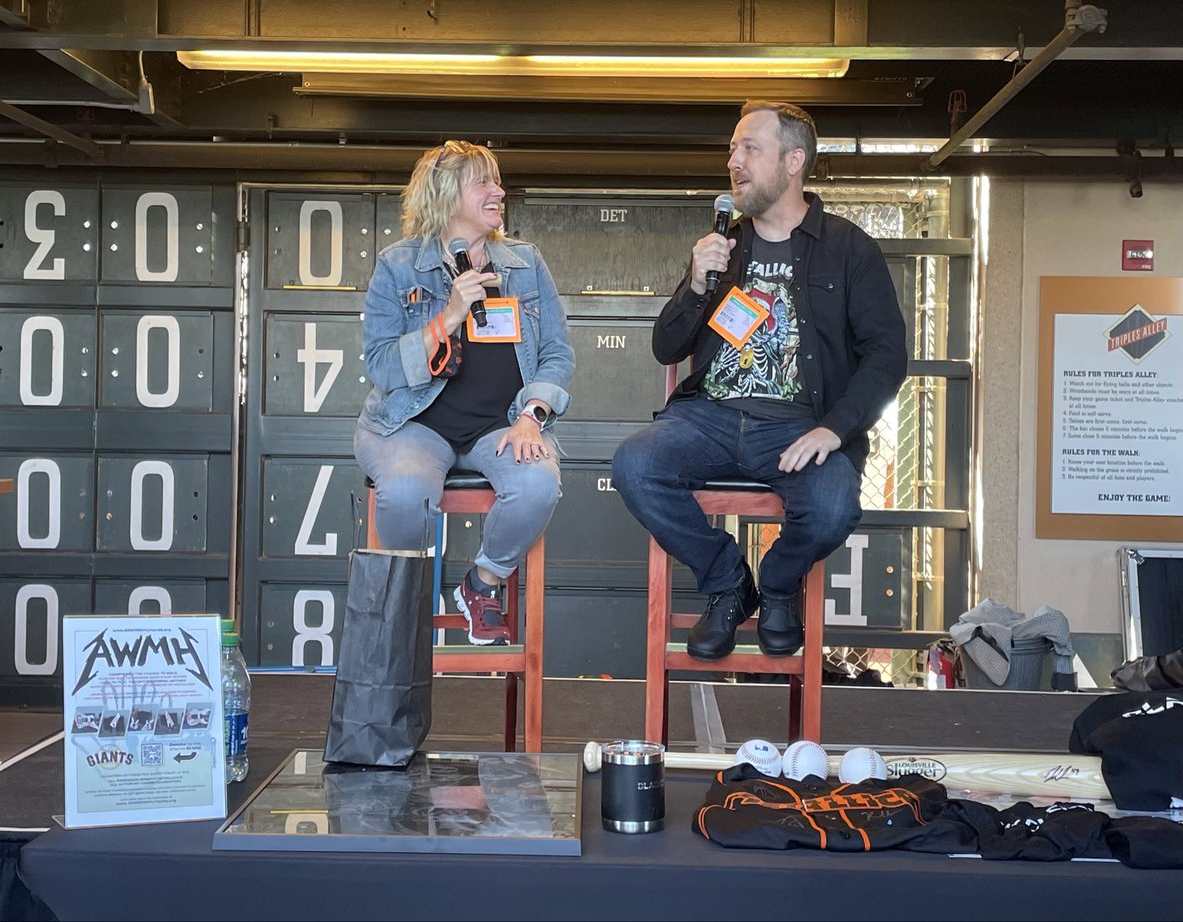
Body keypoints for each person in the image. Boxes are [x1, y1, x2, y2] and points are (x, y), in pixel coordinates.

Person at [612, 100, 907, 661]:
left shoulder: (849, 250)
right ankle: (728, 584)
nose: (734, 161)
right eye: (731, 149)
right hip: (710, 418)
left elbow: (888, 357)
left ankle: (776, 586)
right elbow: (666, 347)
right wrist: (697, 285)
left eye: (750, 148)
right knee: (635, 464)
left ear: (793, 161)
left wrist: (834, 430)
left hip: (800, 425)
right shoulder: (724, 248)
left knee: (833, 504)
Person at [355, 140, 574, 645]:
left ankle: (483, 583)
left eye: (497, 180)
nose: (498, 191)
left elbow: (557, 355)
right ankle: (404, 608)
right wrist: (449, 316)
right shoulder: (398, 266)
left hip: (499, 425)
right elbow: (384, 366)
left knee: (538, 484)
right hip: (412, 424)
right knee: (407, 490)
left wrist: (531, 416)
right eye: (483, 181)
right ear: (445, 193)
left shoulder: (524, 263)